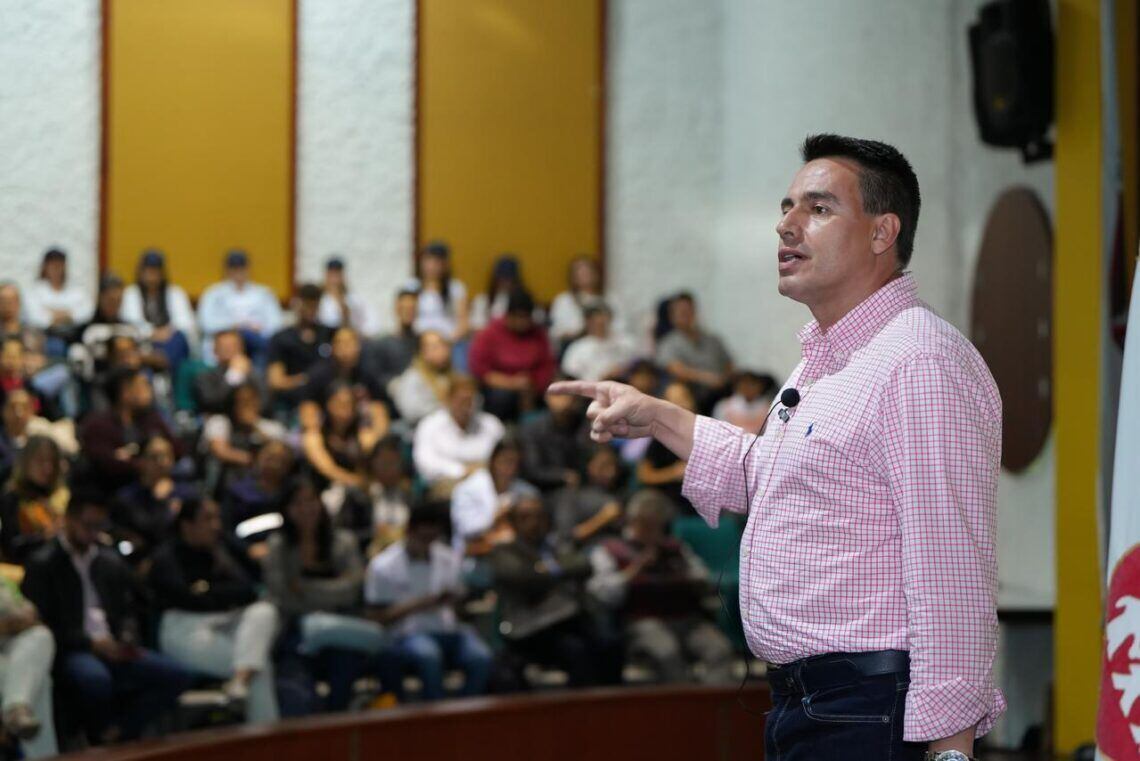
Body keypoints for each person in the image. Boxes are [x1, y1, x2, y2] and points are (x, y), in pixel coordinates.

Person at [550, 134, 1003, 761]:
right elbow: (766, 476)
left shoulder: (919, 361)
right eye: (787, 207)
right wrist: (658, 417)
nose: (786, 225)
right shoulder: (825, 364)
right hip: (809, 703)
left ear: (882, 232)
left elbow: (951, 567)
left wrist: (951, 752)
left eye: (818, 208)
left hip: (873, 708)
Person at [22, 493, 192, 744]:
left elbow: (130, 609)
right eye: (88, 525)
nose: (93, 533)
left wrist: (126, 636)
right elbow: (43, 624)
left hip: (113, 644)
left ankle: (119, 732)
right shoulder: (43, 563)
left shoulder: (110, 561)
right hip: (72, 649)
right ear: (69, 519)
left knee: (176, 675)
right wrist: (91, 644)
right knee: (94, 678)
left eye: (99, 526)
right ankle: (99, 736)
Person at [150, 497, 280, 724]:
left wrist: (210, 589)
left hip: (225, 620)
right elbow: (187, 598)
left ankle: (240, 684)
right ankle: (263, 734)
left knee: (265, 611)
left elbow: (250, 589)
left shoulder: (221, 547)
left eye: (217, 518)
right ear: (187, 525)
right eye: (207, 519)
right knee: (259, 667)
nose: (216, 525)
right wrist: (219, 593)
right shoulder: (166, 556)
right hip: (184, 629)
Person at [587, 489, 733, 685]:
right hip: (643, 622)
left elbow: (702, 576)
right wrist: (634, 570)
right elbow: (603, 594)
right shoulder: (611, 549)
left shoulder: (675, 548)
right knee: (668, 653)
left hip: (686, 619)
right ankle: (682, 703)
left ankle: (715, 703)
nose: (653, 532)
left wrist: (686, 575)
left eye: (657, 525)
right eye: (647, 524)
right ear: (633, 520)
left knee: (719, 650)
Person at [263, 478, 382, 710]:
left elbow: (352, 591)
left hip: (341, 629)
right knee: (297, 695)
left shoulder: (344, 542)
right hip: (294, 632)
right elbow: (283, 598)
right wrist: (332, 589)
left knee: (345, 670)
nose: (306, 508)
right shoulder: (278, 546)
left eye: (311, 501)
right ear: (286, 509)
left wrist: (303, 588)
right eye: (297, 503)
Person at [489, 495, 620, 688]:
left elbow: (583, 565)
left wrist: (547, 569)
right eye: (526, 517)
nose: (534, 523)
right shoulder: (504, 551)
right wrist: (558, 570)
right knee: (576, 650)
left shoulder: (556, 546)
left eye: (539, 516)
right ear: (514, 523)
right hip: (530, 628)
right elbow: (524, 578)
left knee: (610, 642)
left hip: (569, 620)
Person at [365, 502, 492, 701]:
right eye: (423, 538)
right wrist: (421, 603)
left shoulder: (448, 557)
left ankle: (462, 711)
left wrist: (457, 600)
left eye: (433, 538)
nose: (427, 544)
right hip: (407, 634)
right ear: (409, 531)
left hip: (449, 630)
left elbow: (460, 608)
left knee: (481, 657)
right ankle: (435, 713)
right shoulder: (383, 566)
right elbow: (376, 618)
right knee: (429, 656)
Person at [79, 367, 182, 493]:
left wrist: (133, 457)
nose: (149, 391)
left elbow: (177, 448)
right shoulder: (97, 426)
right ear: (126, 392)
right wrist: (144, 463)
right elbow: (105, 463)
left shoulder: (152, 419)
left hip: (158, 486)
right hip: (114, 493)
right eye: (143, 386)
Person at [468, 289, 556, 421]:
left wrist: (533, 385)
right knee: (501, 397)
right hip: (498, 388)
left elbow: (547, 365)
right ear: (508, 315)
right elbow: (480, 370)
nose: (521, 322)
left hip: (531, 389)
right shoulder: (490, 333)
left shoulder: (538, 335)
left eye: (525, 317)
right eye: (518, 317)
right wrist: (511, 383)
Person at [111, 436, 197, 562]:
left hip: (180, 560)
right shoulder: (127, 497)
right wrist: (161, 503)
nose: (162, 462)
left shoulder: (187, 494)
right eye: (155, 457)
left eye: (167, 456)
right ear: (141, 461)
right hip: (139, 559)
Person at [412, 375, 504, 491]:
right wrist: (462, 470)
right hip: (447, 483)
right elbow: (425, 463)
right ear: (449, 399)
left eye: (471, 400)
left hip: (489, 481)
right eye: (462, 400)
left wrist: (481, 471)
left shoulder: (492, 425)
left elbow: (504, 457)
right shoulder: (429, 425)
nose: (467, 405)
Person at [450, 437, 539, 557]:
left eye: (515, 462)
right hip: (473, 557)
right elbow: (466, 529)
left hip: (516, 552)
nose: (510, 468)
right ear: (493, 461)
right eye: (506, 461)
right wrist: (495, 516)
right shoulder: (468, 489)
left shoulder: (526, 492)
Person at [0, 577, 57, 758]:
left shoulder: (3, 582)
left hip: (10, 648)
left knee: (41, 636)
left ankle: (16, 708)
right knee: (36, 680)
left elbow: (30, 613)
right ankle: (16, 708)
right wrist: (6, 625)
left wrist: (23, 619)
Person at [201, 381, 287, 496]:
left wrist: (254, 426)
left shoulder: (271, 427)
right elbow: (221, 451)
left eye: (252, 400)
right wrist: (253, 460)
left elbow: (279, 453)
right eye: (243, 401)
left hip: (261, 487)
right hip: (224, 488)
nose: (248, 405)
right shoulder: (219, 422)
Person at [197, 249, 283, 364]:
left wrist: (257, 328)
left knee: (263, 345)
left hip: (256, 340)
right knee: (237, 338)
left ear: (248, 269)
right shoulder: (213, 293)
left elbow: (276, 325)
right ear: (226, 270)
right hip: (225, 339)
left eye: (241, 268)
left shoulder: (264, 294)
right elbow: (206, 324)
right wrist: (234, 325)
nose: (238, 272)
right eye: (234, 268)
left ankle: (257, 373)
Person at [334, 435, 412, 557]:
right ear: (372, 463)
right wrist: (376, 534)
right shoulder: (357, 496)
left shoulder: (409, 495)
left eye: (394, 463)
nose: (389, 469)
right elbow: (345, 533)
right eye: (384, 463)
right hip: (364, 554)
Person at [654, 293, 734, 412]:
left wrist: (724, 379)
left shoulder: (713, 340)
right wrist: (708, 379)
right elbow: (676, 369)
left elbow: (729, 364)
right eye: (681, 312)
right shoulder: (668, 343)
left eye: (689, 310)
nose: (686, 315)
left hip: (721, 391)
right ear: (672, 316)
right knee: (676, 392)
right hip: (692, 391)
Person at [120, 249, 197, 372]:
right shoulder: (131, 293)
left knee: (179, 338)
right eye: (148, 270)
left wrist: (168, 331)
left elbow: (187, 323)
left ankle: (161, 361)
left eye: (155, 270)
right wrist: (151, 332)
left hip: (171, 342)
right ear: (141, 272)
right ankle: (158, 361)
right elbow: (129, 321)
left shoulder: (175, 293)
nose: (152, 274)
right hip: (145, 342)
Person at [302, 381, 386, 491]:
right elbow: (329, 470)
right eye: (340, 404)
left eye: (350, 404)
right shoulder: (314, 436)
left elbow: (374, 457)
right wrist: (359, 483)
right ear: (327, 404)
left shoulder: (362, 434)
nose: (346, 409)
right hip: (322, 490)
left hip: (357, 490)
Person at [0, 436, 68, 564]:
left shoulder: (62, 494)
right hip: (25, 565)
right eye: (40, 461)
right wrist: (46, 536)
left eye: (52, 462)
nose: (47, 468)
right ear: (26, 462)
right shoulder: (12, 498)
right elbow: (11, 548)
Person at [266, 283, 333, 411]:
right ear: (296, 304)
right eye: (307, 305)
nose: (311, 311)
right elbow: (276, 381)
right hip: (293, 402)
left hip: (324, 402)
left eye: (315, 306)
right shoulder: (282, 339)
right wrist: (307, 380)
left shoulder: (328, 334)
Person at [636, 381, 698, 518]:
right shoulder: (661, 437)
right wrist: (673, 473)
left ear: (692, 401)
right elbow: (644, 475)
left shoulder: (709, 432)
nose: (681, 405)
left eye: (684, 398)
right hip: (670, 499)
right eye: (674, 401)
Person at [518, 382, 591, 492]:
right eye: (557, 395)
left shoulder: (583, 425)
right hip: (543, 489)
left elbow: (588, 460)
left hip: (580, 486)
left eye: (567, 395)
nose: (562, 400)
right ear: (547, 397)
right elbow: (532, 469)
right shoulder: (532, 429)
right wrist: (562, 476)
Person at [549, 444, 625, 547]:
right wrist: (603, 518)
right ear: (589, 466)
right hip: (585, 551)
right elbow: (568, 536)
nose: (611, 472)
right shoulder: (571, 496)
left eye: (614, 466)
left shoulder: (619, 496)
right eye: (604, 466)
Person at [223, 439, 296, 531]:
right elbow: (228, 527)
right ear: (258, 458)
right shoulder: (237, 492)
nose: (274, 465)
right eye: (270, 458)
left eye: (281, 460)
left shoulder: (292, 494)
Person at [189, 329, 264, 416]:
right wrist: (234, 375)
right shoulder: (204, 376)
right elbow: (211, 403)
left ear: (242, 348)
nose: (228, 349)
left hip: (253, 417)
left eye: (232, 345)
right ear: (214, 349)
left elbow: (265, 402)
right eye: (223, 346)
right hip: (219, 418)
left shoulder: (254, 374)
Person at [25, 248, 93, 342]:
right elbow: (33, 317)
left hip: (75, 335)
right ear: (45, 266)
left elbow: (87, 312)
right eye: (53, 265)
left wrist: (55, 314)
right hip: (46, 336)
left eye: (59, 265)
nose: (56, 269)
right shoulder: (36, 290)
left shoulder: (76, 290)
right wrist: (67, 314)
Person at [387, 330, 452, 427]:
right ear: (423, 352)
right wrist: (443, 410)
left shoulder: (452, 375)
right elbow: (411, 412)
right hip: (423, 429)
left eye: (443, 345)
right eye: (435, 347)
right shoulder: (412, 378)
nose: (442, 350)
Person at [560, 303, 638, 383]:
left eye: (603, 318)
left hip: (624, 385)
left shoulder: (626, 342)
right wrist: (602, 378)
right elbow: (570, 377)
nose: (600, 323)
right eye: (595, 320)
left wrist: (621, 369)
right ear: (587, 322)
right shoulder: (577, 348)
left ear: (610, 318)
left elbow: (637, 364)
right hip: (590, 387)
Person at [362, 286, 420, 390]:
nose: (408, 312)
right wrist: (390, 384)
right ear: (396, 309)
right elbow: (375, 374)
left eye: (412, 309)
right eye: (404, 308)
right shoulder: (381, 344)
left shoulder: (422, 343)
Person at [410, 241, 469, 341]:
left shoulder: (456, 288)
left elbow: (463, 323)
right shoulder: (411, 286)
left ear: (445, 265)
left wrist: (447, 341)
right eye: (428, 260)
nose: (431, 266)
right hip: (417, 341)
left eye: (436, 262)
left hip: (448, 340)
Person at [549, 256, 608, 349]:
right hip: (574, 346)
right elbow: (557, 332)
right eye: (580, 271)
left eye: (589, 270)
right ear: (572, 277)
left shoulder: (608, 299)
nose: (585, 274)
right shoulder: (563, 300)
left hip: (606, 346)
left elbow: (620, 328)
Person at [319, 257, 380, 337]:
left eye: (337, 274)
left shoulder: (354, 299)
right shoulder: (319, 298)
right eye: (332, 274)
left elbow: (371, 321)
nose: (334, 279)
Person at [469, 254, 526, 331]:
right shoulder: (482, 301)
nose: (505, 282)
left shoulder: (524, 304)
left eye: (509, 279)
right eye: (502, 278)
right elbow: (476, 327)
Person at [711, 370, 777, 435]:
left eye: (752, 384)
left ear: (760, 387)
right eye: (744, 384)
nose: (748, 388)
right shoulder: (724, 406)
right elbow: (718, 430)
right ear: (737, 386)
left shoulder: (769, 408)